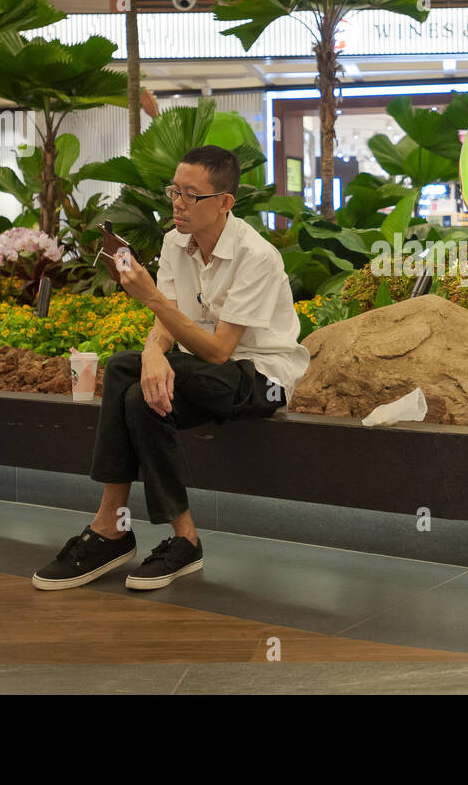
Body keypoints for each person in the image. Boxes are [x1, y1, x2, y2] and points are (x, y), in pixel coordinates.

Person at [32, 145, 310, 592]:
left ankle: (112, 532)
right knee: (137, 387)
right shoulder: (174, 242)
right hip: (202, 372)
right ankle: (169, 537)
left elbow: (221, 351)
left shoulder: (256, 255)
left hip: (261, 379)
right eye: (174, 191)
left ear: (224, 202)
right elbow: (166, 324)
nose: (178, 204)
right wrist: (154, 354)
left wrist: (151, 301)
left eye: (191, 195)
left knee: (131, 376)